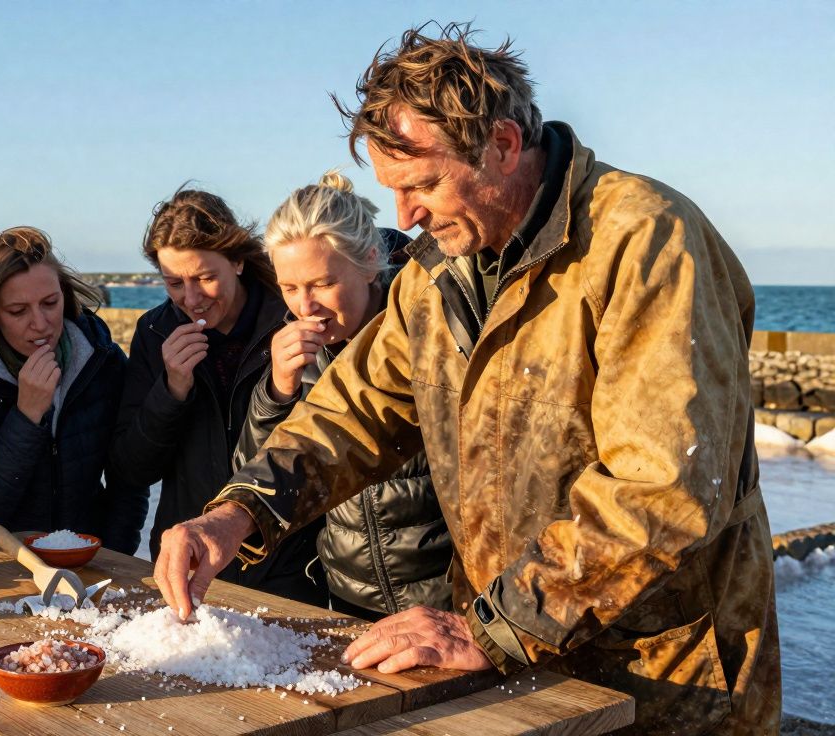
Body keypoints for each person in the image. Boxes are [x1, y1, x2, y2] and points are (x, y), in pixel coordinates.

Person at [155, 24, 778, 734]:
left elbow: (664, 487)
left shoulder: (645, 239)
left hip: (666, 678)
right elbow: (354, 408)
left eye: (421, 185)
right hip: (518, 662)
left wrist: (490, 629)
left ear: (504, 146)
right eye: (393, 191)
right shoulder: (436, 271)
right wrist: (241, 510)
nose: (404, 216)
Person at [233, 171, 451, 621]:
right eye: (290, 288)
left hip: (446, 601)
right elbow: (254, 476)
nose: (305, 306)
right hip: (348, 602)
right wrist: (276, 392)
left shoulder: (433, 324)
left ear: (371, 261)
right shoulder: (294, 353)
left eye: (321, 284)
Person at [113, 188, 327, 606]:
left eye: (205, 278)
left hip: (286, 561)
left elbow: (321, 449)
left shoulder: (293, 323)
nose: (191, 299)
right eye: (174, 282)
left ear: (238, 260)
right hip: (186, 560)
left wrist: (284, 388)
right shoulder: (154, 332)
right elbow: (131, 469)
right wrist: (171, 391)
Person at [0, 227, 147, 552]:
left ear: (64, 294)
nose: (41, 323)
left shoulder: (103, 362)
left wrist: (114, 557)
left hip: (84, 558)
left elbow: (128, 481)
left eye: (50, 303)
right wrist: (27, 416)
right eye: (18, 311)